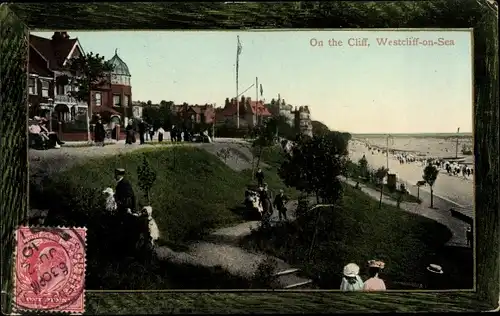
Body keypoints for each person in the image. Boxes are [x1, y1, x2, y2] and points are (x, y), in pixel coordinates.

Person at [113, 168, 138, 251]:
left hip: (125, 210)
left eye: (116, 174)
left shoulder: (124, 184)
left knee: (123, 229)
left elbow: (130, 197)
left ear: (119, 175)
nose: (114, 175)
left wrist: (129, 208)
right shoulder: (122, 183)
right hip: (123, 209)